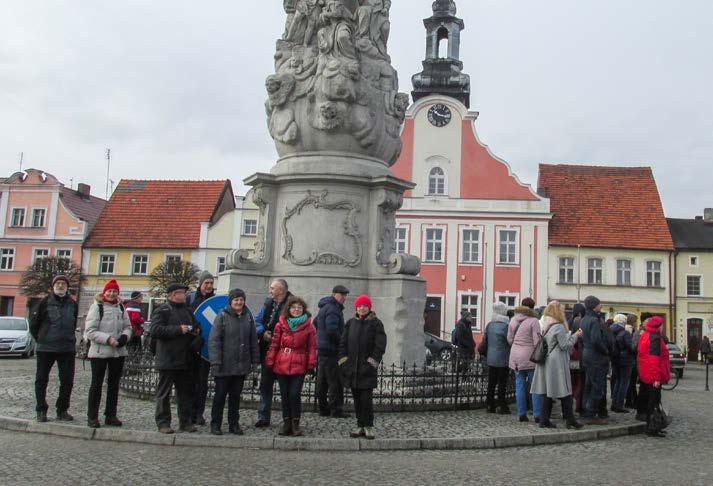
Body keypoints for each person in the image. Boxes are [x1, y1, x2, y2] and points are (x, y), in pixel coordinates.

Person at [151, 283, 204, 434]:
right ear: (173, 294)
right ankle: (163, 423)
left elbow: (196, 326)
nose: (184, 295)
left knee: (185, 393)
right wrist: (178, 329)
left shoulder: (188, 311)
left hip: (185, 359)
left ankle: (185, 422)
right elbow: (155, 330)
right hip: (168, 359)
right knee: (164, 393)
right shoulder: (162, 310)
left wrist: (196, 334)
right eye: (182, 293)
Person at [208, 288, 260, 436]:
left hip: (240, 365)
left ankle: (234, 424)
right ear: (231, 301)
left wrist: (255, 361)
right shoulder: (222, 316)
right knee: (219, 397)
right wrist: (216, 361)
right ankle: (216, 424)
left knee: (235, 398)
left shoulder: (247, 316)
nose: (239, 302)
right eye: (236, 299)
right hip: (224, 364)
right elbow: (214, 340)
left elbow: (252, 341)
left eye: (241, 300)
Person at [29, 275, 79, 423]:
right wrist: (41, 338)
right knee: (41, 380)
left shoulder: (72, 304)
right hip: (46, 348)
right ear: (53, 286)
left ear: (67, 287)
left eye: (63, 283)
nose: (60, 285)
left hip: (67, 348)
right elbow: (33, 324)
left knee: (67, 381)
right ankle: (41, 410)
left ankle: (62, 410)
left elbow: (74, 321)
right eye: (58, 283)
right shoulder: (44, 302)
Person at [265, 296, 317, 437]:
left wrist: (311, 364)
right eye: (294, 307)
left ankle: (295, 423)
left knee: (294, 394)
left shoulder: (309, 327)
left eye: (299, 308)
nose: (296, 310)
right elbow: (275, 344)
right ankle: (286, 422)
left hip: (299, 363)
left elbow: (312, 347)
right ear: (289, 309)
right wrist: (270, 360)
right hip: (282, 362)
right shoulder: (280, 324)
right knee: (284, 395)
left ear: (303, 309)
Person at [84, 279, 132, 428]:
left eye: (114, 291)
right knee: (96, 385)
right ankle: (92, 416)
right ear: (104, 292)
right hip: (100, 352)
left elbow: (128, 326)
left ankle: (110, 415)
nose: (112, 294)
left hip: (118, 352)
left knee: (114, 385)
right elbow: (90, 331)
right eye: (109, 291)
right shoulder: (97, 307)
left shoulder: (121, 307)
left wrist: (125, 336)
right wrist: (108, 339)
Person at [339, 294, 387, 440]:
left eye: (364, 306)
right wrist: (344, 362)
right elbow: (343, 344)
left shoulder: (376, 324)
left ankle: (368, 426)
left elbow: (380, 346)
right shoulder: (351, 323)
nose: (362, 308)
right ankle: (360, 425)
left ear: (369, 307)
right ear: (356, 307)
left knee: (366, 399)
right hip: (353, 369)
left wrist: (371, 363)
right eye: (359, 306)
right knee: (357, 399)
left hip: (367, 369)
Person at [531, 301, 584, 429]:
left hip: (547, 360)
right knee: (565, 390)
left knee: (546, 391)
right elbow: (565, 345)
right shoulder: (558, 326)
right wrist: (575, 335)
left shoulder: (546, 324)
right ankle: (570, 419)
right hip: (556, 362)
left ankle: (544, 419)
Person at [254, 279, 292, 427]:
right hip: (267, 351)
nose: (270, 291)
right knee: (265, 385)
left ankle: (288, 419)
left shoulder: (292, 304)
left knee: (286, 388)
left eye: (272, 288)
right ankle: (263, 417)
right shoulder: (268, 303)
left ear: (281, 290)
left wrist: (278, 336)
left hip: (283, 353)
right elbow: (257, 321)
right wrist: (262, 332)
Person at [315, 284, 350, 418]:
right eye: (342, 295)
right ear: (334, 294)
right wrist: (342, 343)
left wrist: (320, 337)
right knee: (335, 381)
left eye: (345, 295)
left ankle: (323, 408)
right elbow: (332, 330)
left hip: (323, 348)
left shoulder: (324, 307)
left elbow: (316, 323)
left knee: (322, 382)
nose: (344, 298)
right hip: (331, 349)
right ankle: (336, 410)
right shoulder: (333, 309)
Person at [186, 271, 215, 426]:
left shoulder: (215, 300)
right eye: (207, 283)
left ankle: (199, 413)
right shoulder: (190, 299)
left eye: (211, 283)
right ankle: (188, 412)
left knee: (202, 382)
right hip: (191, 346)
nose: (209, 286)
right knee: (189, 381)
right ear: (201, 284)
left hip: (205, 348)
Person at [507, 297, 543, 423]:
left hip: (515, 355)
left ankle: (521, 413)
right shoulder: (534, 321)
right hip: (529, 357)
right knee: (535, 385)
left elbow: (509, 339)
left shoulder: (513, 320)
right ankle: (537, 413)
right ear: (533, 308)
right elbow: (537, 342)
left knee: (519, 385)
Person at [637, 316, 671, 437]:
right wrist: (656, 377)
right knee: (653, 401)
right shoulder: (655, 337)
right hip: (653, 374)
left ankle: (653, 425)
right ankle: (652, 426)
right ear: (659, 326)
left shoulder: (646, 335)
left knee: (650, 400)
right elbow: (654, 358)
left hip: (646, 372)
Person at [580, 295, 610, 425]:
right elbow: (596, 340)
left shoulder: (584, 319)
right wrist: (606, 351)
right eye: (599, 304)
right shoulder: (594, 320)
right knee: (597, 386)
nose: (601, 306)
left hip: (587, 354)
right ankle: (591, 413)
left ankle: (586, 410)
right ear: (594, 306)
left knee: (588, 385)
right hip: (596, 356)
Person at [481, 302, 511, 415]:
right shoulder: (505, 326)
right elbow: (509, 341)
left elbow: (485, 338)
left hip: (491, 358)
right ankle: (501, 405)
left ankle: (490, 405)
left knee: (491, 382)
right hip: (503, 358)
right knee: (502, 383)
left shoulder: (489, 325)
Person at [610, 314, 635, 413]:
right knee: (624, 382)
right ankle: (619, 404)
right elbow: (631, 347)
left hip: (615, 358)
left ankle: (614, 403)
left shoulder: (611, 330)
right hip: (625, 360)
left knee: (617, 381)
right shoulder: (625, 333)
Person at [568, 303, 586, 414]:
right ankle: (579, 405)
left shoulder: (568, 322)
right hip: (579, 354)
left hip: (570, 354)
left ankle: (569, 404)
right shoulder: (581, 321)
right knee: (579, 381)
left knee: (570, 381)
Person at [625, 314, 640, 408]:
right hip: (631, 359)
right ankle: (631, 402)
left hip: (628, 359)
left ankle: (631, 401)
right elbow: (632, 347)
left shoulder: (626, 329)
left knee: (630, 382)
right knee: (631, 382)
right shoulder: (631, 331)